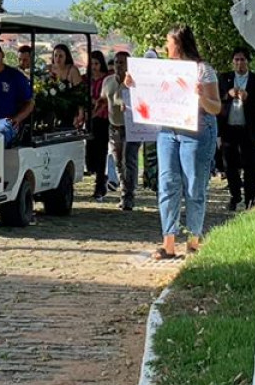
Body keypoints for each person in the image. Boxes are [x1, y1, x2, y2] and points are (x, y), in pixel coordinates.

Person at [128, 25, 221, 260]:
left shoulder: (202, 71)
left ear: (178, 44)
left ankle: (193, 241)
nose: (165, 46)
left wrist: (200, 96)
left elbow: (216, 107)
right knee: (167, 183)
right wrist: (135, 85)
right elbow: (152, 94)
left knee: (193, 186)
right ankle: (168, 242)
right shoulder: (163, 70)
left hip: (197, 131)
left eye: (168, 42)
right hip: (168, 131)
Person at [217, 49, 255, 211]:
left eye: (242, 60)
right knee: (229, 165)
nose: (239, 63)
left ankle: (249, 199)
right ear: (232, 62)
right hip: (229, 127)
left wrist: (249, 97)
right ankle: (235, 195)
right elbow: (216, 100)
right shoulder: (224, 78)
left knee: (250, 166)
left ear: (248, 62)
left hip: (249, 128)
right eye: (236, 60)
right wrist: (227, 95)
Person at [103, 49, 141, 210]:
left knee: (129, 160)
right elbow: (103, 100)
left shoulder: (136, 82)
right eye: (117, 62)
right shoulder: (108, 81)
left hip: (131, 128)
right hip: (114, 127)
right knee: (118, 162)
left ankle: (128, 195)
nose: (119, 65)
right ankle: (123, 190)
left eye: (122, 62)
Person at [76, 49, 113, 200]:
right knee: (90, 152)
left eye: (97, 63)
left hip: (102, 118)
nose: (94, 67)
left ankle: (100, 184)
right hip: (88, 118)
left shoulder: (107, 79)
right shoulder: (86, 79)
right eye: (92, 64)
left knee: (101, 151)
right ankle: (96, 173)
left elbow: (106, 99)